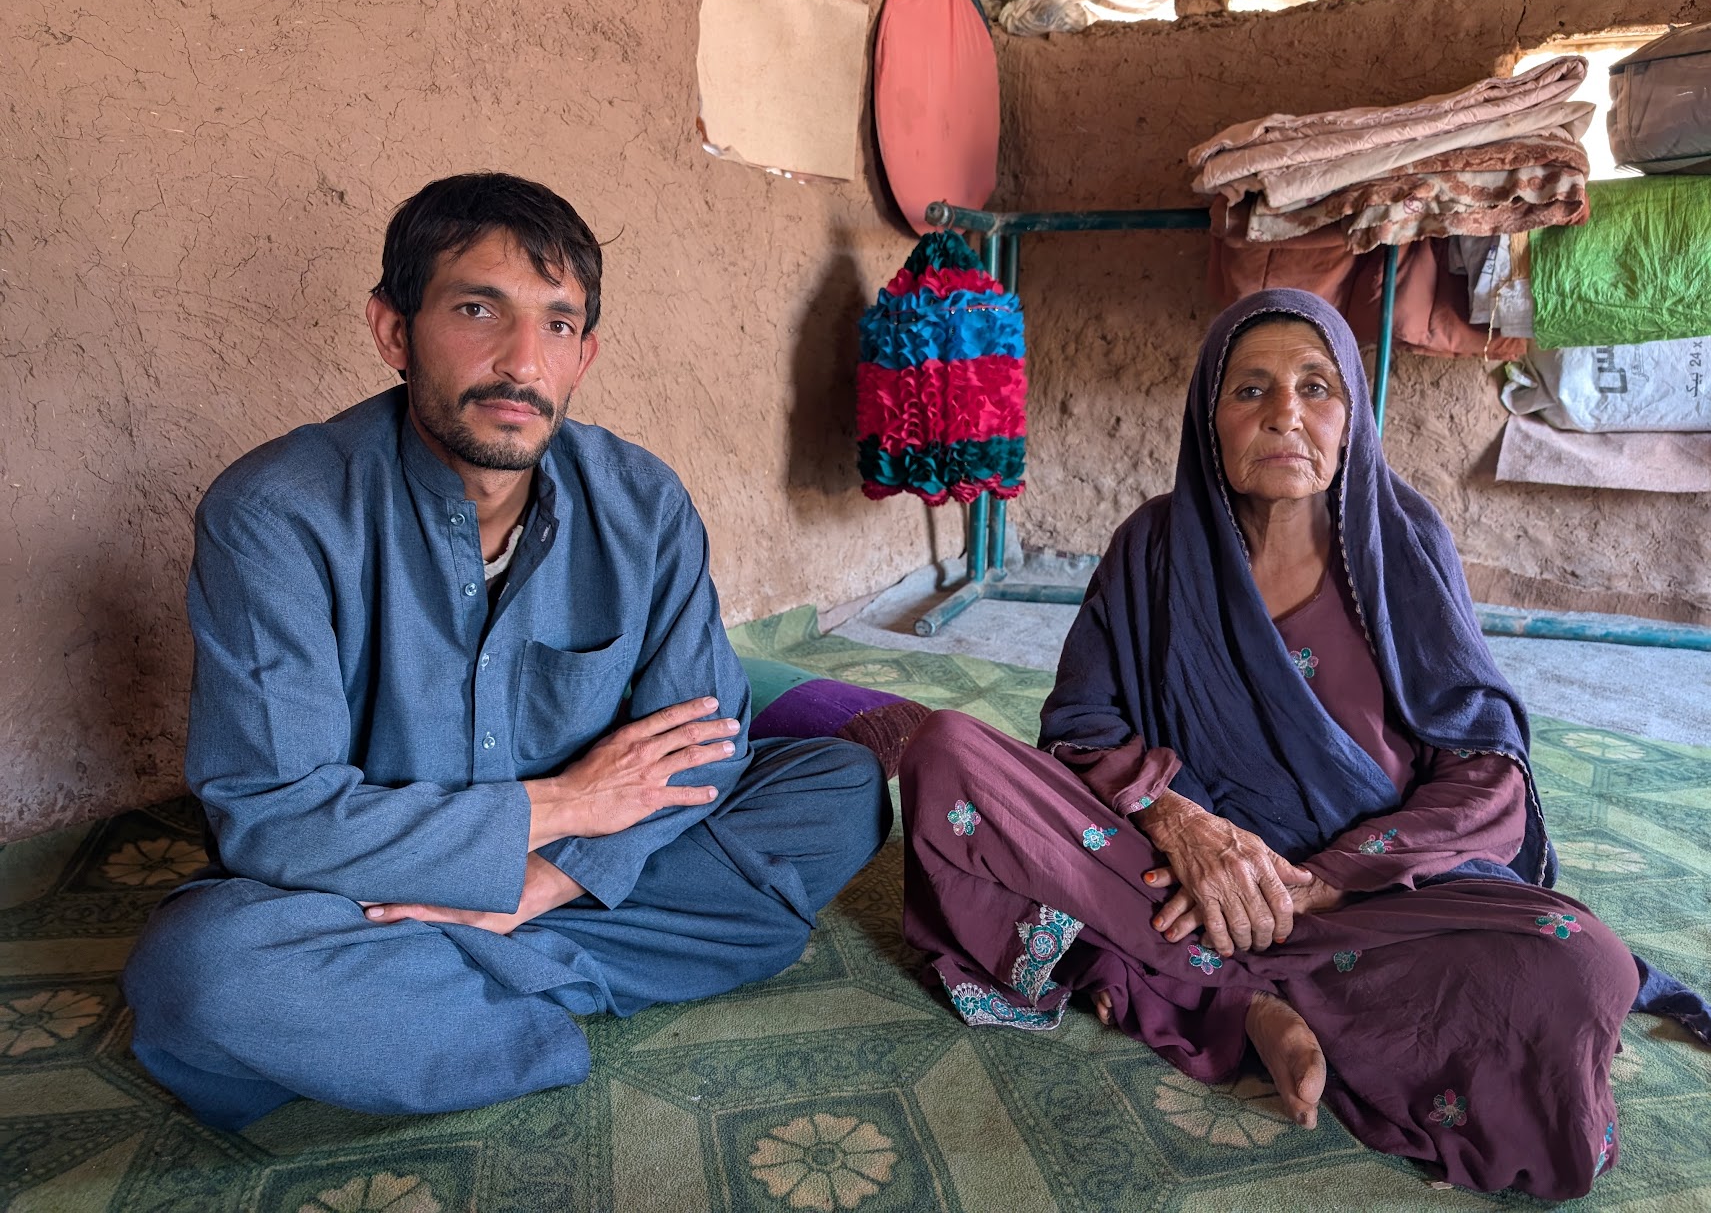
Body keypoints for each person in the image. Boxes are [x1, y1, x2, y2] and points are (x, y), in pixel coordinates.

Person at [121, 172, 891, 1130]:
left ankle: (453, 996)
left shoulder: (640, 502)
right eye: (478, 309)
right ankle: (545, 991)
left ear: (585, 354)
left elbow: (705, 739)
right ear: (394, 332)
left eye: (558, 325)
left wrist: (549, 879)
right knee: (206, 974)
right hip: (372, 889)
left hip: (574, 869)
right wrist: (563, 803)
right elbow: (277, 821)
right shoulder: (277, 515)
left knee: (838, 788)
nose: (522, 361)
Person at [899, 288, 1700, 1200]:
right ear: (1210, 417)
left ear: (1351, 413)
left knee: (1576, 960)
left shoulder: (1402, 544)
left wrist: (1332, 878)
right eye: (1250, 390)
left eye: (1315, 387)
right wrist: (1181, 826)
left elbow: (1483, 767)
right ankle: (1249, 999)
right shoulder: (1153, 547)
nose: (1285, 413)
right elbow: (1081, 733)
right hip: (1171, 880)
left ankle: (1219, 998)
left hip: (1367, 899)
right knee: (946, 755)